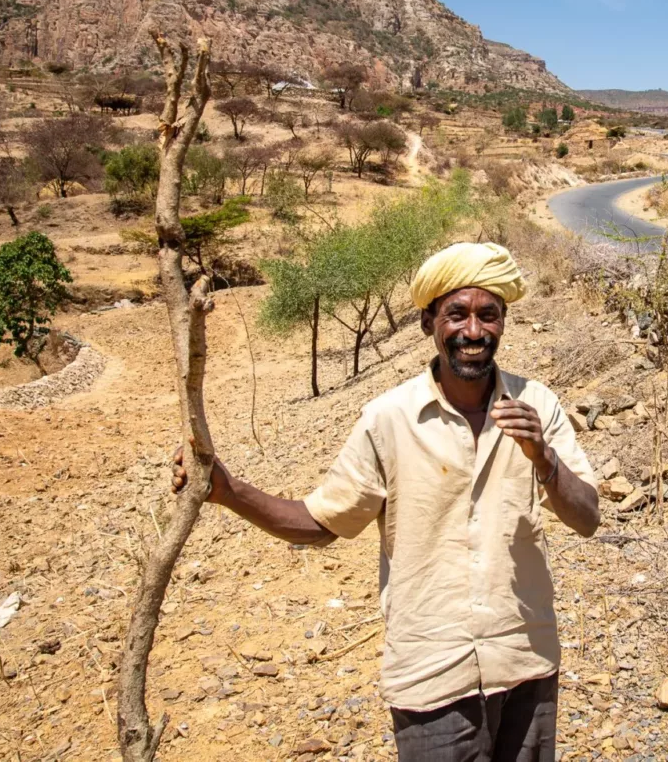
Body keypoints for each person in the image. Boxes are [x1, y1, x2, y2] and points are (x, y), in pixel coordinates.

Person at [172, 242, 600, 761]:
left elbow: (587, 517)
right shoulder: (388, 419)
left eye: (488, 315)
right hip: (432, 676)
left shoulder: (538, 406)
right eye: (456, 315)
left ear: (503, 323)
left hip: (526, 660)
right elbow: (321, 521)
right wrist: (228, 490)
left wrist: (544, 458)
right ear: (428, 323)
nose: (472, 332)